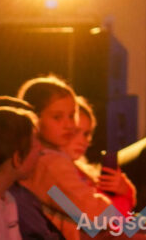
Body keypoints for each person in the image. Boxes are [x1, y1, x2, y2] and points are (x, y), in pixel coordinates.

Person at [17, 77, 131, 240]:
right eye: (57, 117)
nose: (69, 125)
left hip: (103, 229)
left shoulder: (48, 161)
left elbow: (71, 205)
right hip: (95, 233)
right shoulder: (50, 164)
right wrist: (122, 200)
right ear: (34, 118)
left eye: (71, 116)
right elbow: (96, 215)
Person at [0, 98, 60, 240]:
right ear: (17, 157)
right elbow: (89, 218)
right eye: (57, 117)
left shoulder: (7, 198)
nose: (70, 126)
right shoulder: (52, 171)